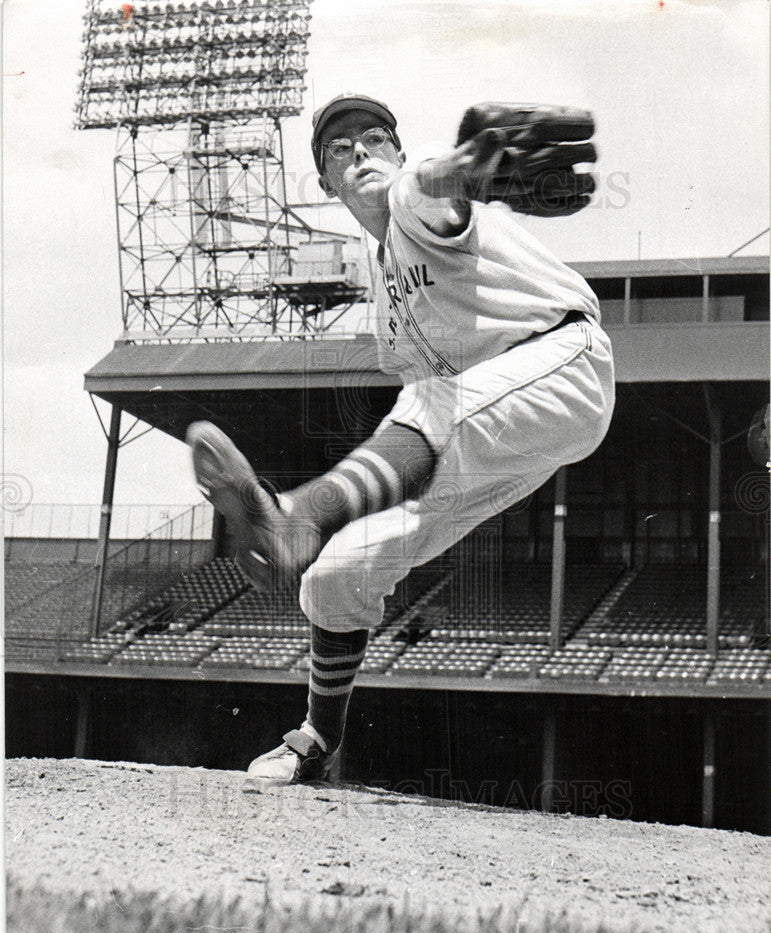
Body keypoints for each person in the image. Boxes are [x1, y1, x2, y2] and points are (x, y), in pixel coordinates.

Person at [187, 92, 615, 789]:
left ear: (398, 149)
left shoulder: (413, 193)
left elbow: (438, 183)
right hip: (490, 428)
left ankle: (298, 518)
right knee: (335, 577)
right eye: (338, 148)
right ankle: (317, 740)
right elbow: (423, 414)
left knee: (431, 411)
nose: (359, 152)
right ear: (325, 184)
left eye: (374, 138)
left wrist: (470, 166)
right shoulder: (382, 293)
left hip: (562, 366)